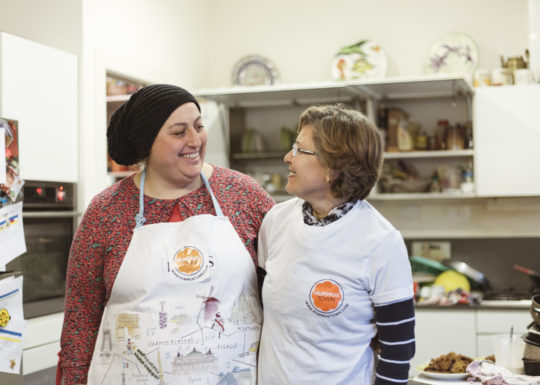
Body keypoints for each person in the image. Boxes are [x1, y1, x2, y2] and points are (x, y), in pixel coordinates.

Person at [58, 84, 275, 385]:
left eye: (199, 126)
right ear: (147, 142)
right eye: (179, 132)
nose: (195, 140)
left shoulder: (242, 194)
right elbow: (81, 318)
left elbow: (287, 286)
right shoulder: (106, 210)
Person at [257, 104, 415, 385]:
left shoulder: (380, 241)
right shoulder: (276, 221)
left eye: (300, 150)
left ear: (334, 167)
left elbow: (398, 350)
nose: (287, 157)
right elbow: (257, 311)